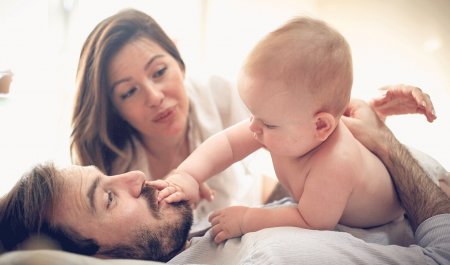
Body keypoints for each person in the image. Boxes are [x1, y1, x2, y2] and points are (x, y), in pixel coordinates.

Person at [0, 98, 449, 264]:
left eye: (111, 179)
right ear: (97, 258)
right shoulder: (268, 255)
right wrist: (387, 145)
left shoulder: (197, 242)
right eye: (109, 199)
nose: (136, 178)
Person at [152, 16, 436, 243]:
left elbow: (312, 220)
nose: (253, 127)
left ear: (321, 126)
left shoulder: (335, 162)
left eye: (267, 122)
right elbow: (227, 144)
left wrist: (246, 219)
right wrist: (189, 175)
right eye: (253, 114)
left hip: (395, 215)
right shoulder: (284, 125)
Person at [70, 8, 267, 232]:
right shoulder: (111, 172)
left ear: (179, 63)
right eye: (129, 92)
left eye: (159, 71)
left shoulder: (220, 95)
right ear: (115, 109)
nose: (154, 97)